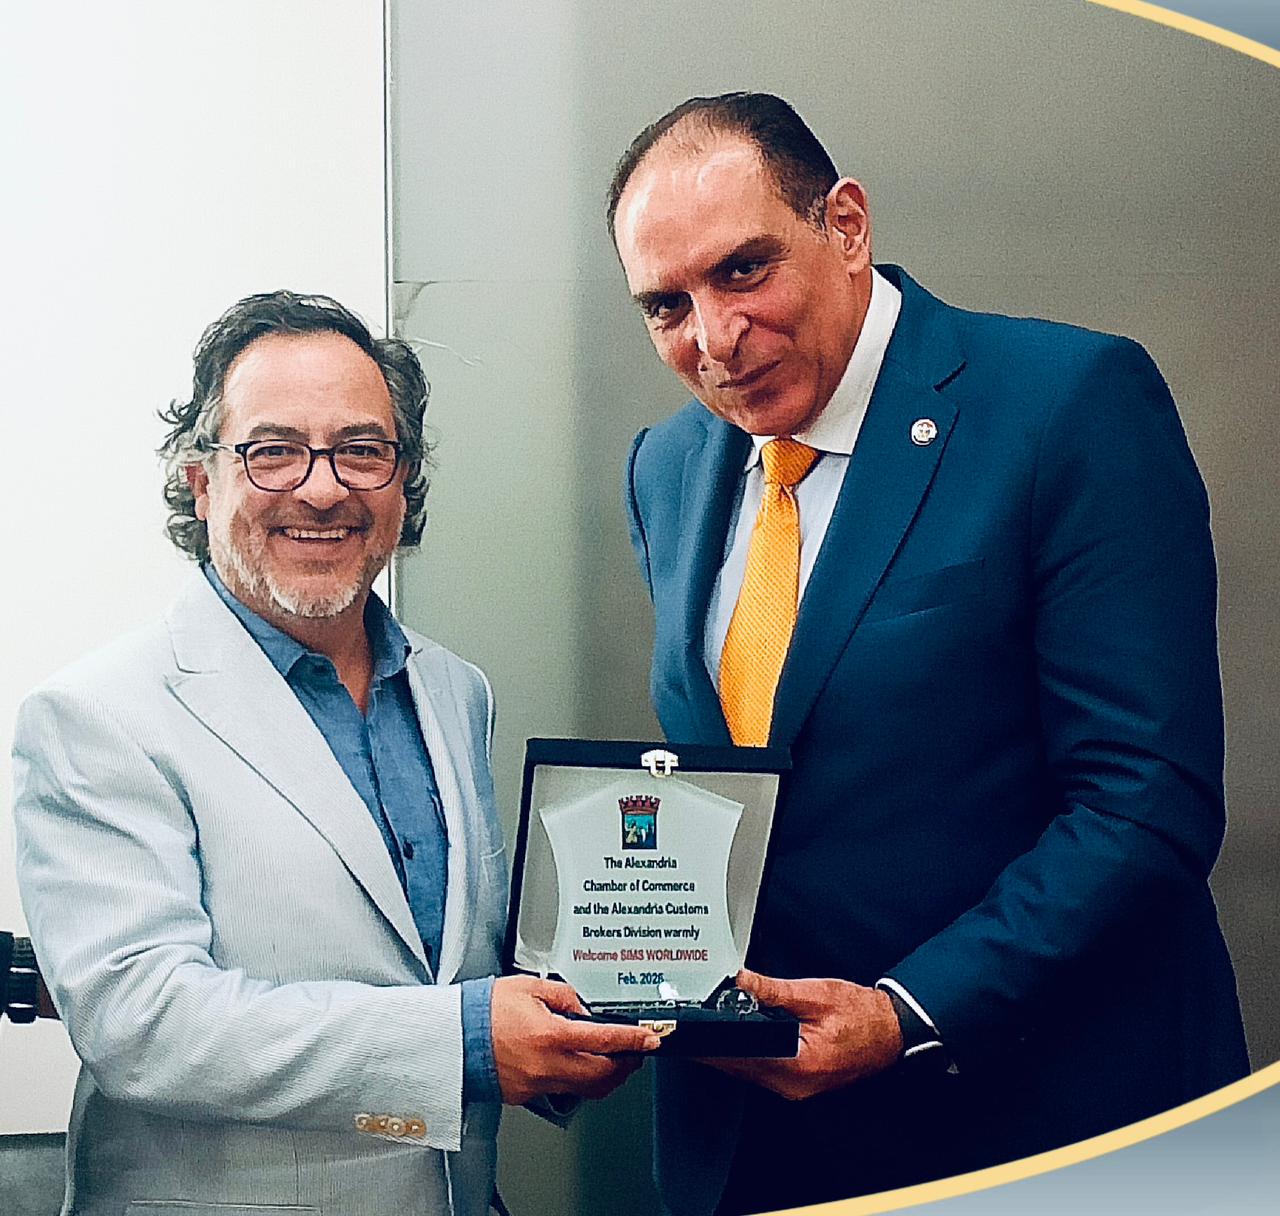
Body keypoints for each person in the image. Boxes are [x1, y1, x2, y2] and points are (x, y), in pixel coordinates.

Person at [609, 93, 1249, 1215]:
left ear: (846, 225)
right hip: (760, 1143)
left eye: (743, 271)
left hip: (1034, 1118)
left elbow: (1144, 802)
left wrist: (906, 1013)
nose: (712, 338)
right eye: (667, 304)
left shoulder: (1065, 405)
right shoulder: (666, 466)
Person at [12, 291, 657, 1216]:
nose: (323, 489)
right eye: (273, 451)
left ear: (403, 481)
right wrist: (467, 1043)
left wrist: (589, 1017)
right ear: (203, 483)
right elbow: (144, 1024)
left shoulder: (453, 690)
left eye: (362, 449)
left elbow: (450, 968)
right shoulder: (97, 715)